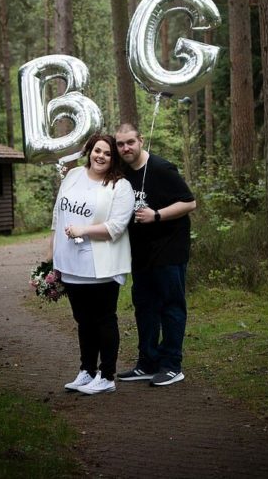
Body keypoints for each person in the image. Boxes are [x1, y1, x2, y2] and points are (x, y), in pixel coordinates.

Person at [50, 133, 135, 395]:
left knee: (104, 319)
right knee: (83, 320)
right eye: (98, 151)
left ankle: (106, 375)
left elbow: (116, 227)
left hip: (101, 267)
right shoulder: (73, 175)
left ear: (114, 159)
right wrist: (52, 260)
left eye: (108, 154)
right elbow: (57, 215)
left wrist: (83, 231)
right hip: (70, 264)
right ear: (90, 151)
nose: (101, 156)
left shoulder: (120, 187)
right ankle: (86, 371)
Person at [115, 123, 196, 386]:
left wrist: (157, 215)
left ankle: (172, 365)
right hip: (140, 253)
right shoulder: (124, 173)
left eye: (130, 142)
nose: (125, 148)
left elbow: (189, 202)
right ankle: (147, 363)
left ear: (141, 140)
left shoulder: (162, 168)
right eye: (120, 144)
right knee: (145, 308)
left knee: (171, 306)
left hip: (169, 250)